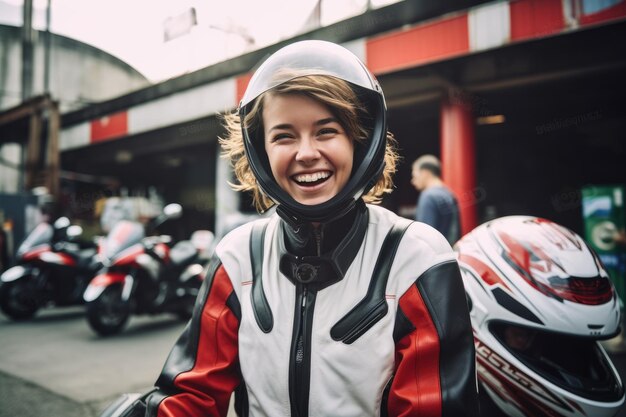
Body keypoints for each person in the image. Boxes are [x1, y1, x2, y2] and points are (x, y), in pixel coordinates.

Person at [143, 40, 478, 417]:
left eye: (326, 131)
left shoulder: (417, 258)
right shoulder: (237, 257)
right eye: (284, 135)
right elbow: (192, 395)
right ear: (261, 151)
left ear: (359, 142)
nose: (305, 153)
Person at [411, 155, 460, 244]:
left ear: (425, 173)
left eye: (415, 176)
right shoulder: (449, 194)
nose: (413, 181)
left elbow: (425, 236)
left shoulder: (428, 196)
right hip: (449, 251)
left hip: (434, 254)